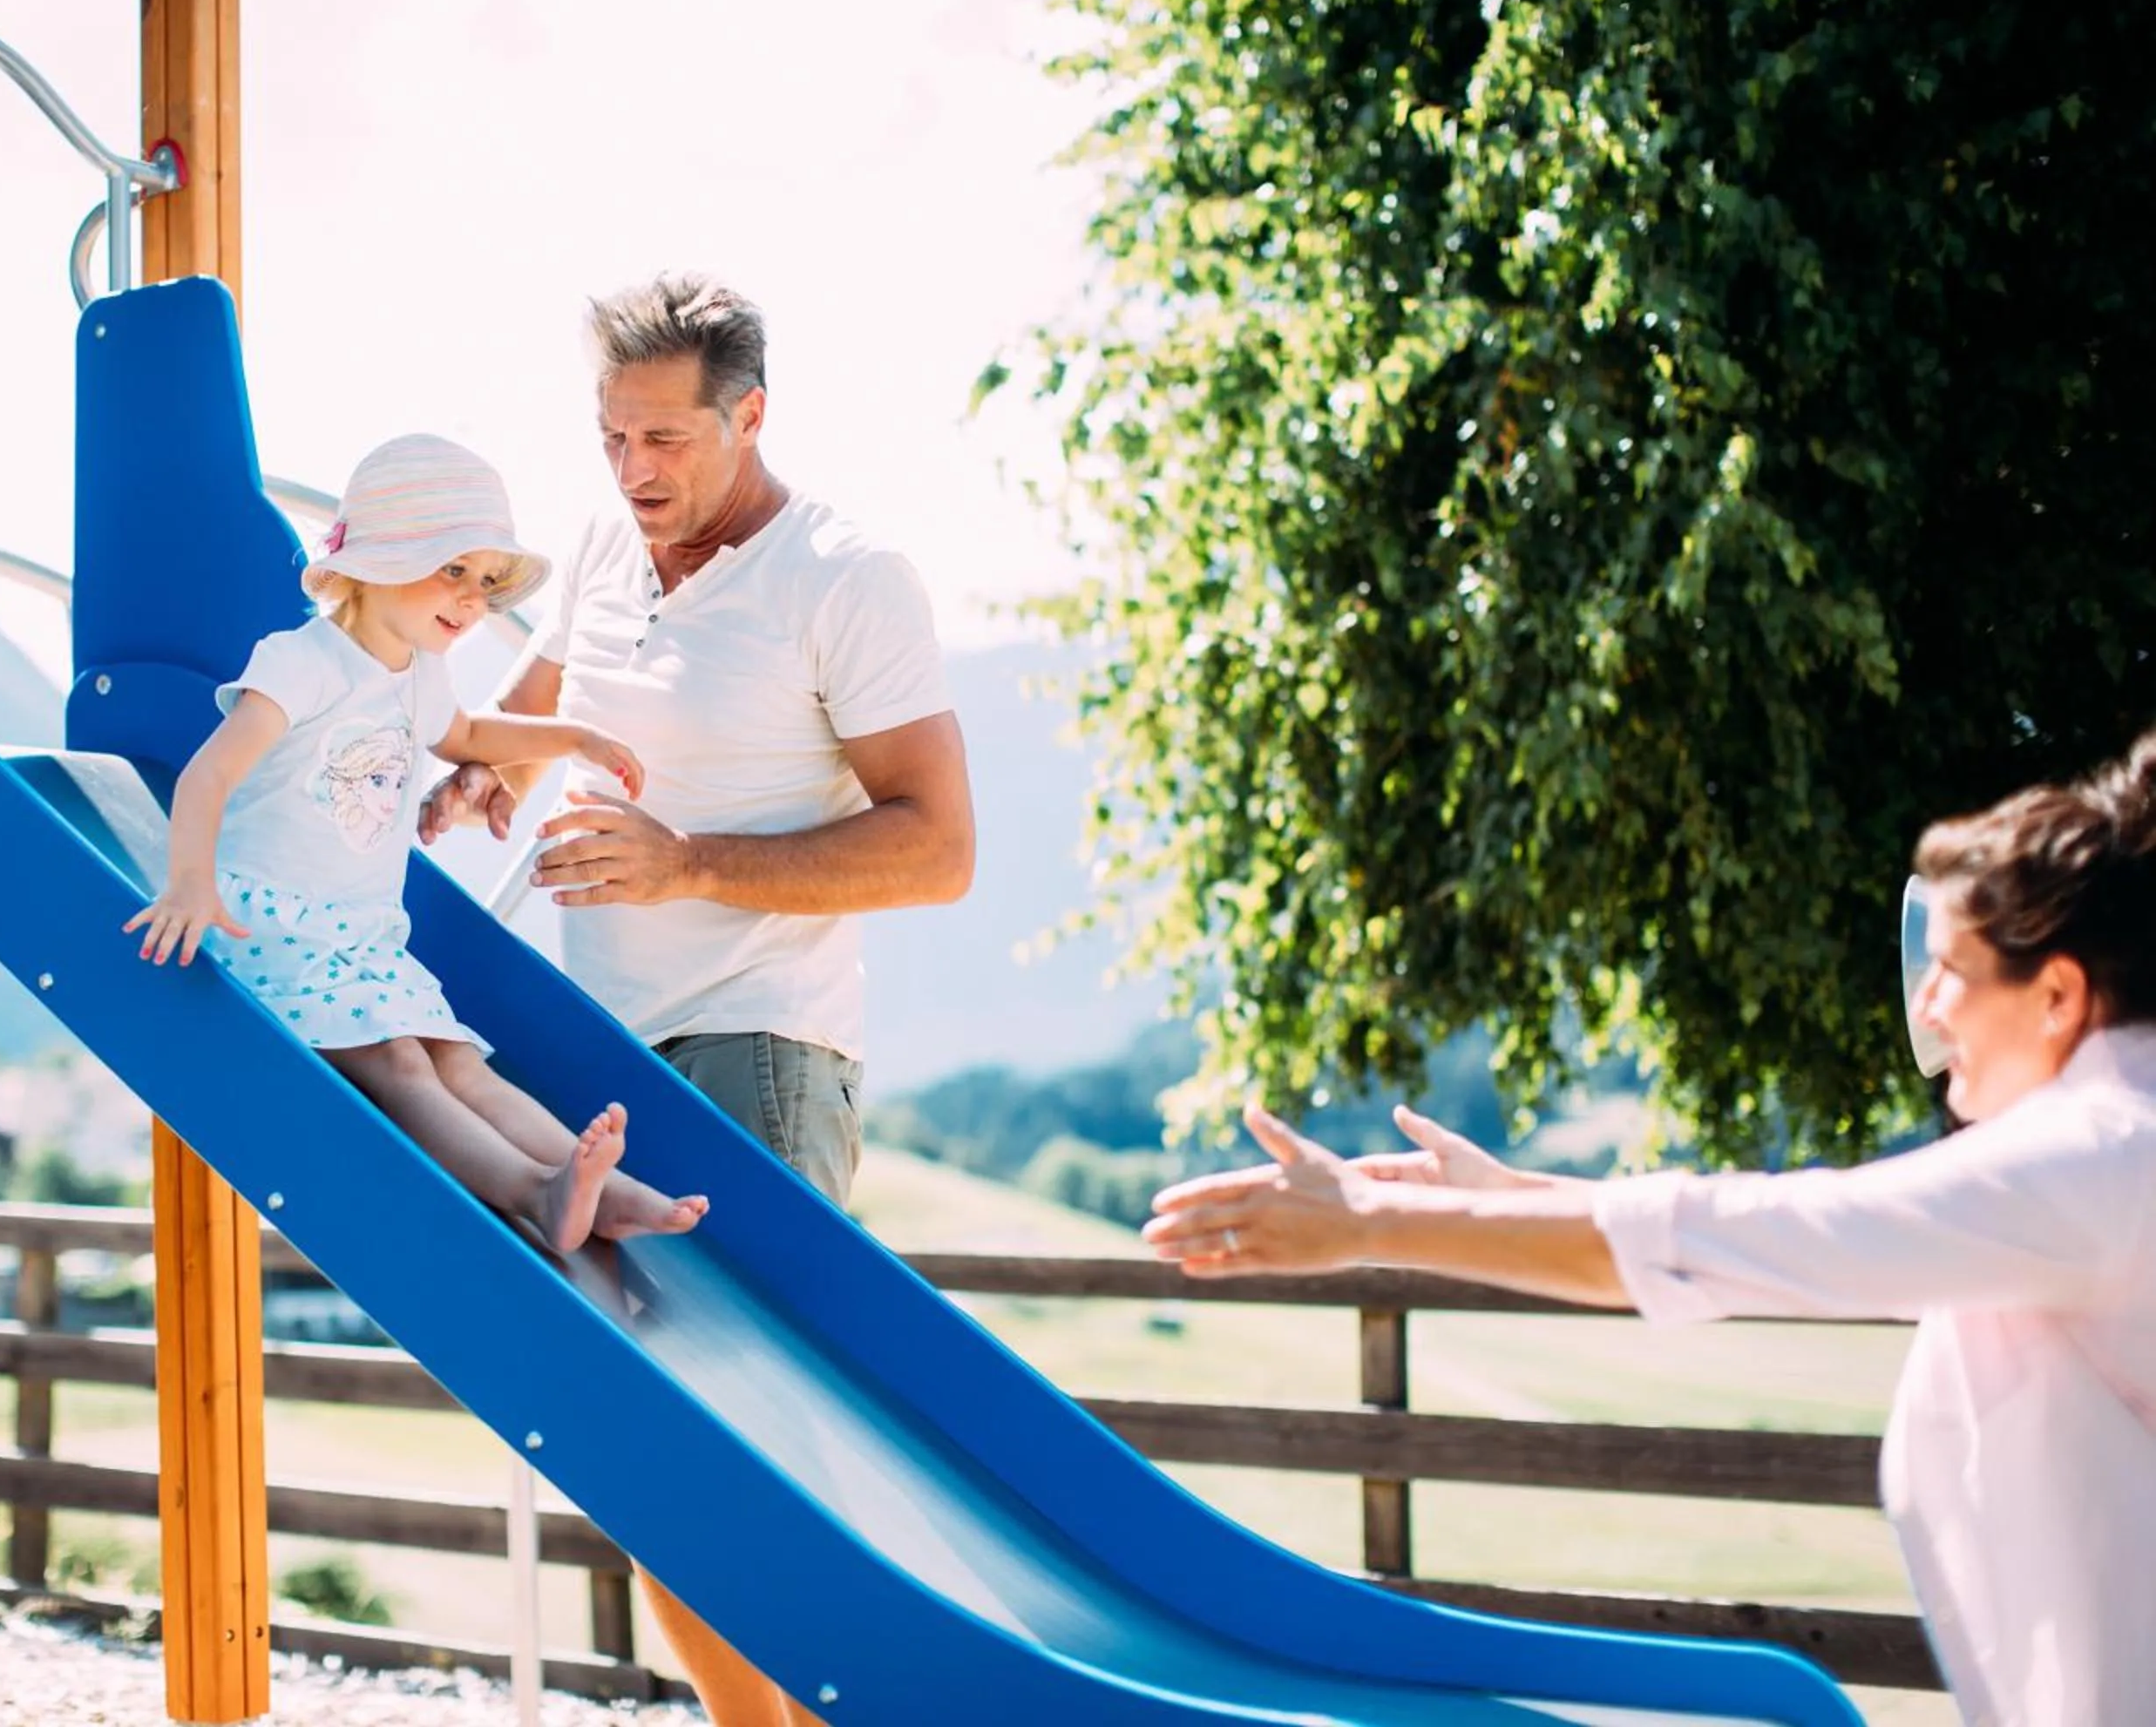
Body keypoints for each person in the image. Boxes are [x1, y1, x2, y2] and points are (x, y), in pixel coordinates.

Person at [1142, 730, 2156, 1726]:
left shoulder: (2093, 1156)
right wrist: (1511, 1196)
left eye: (1953, 970)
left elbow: (1770, 1235)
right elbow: (1767, 1235)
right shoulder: (2099, 1153)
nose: (1927, 1008)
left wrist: (1372, 1218)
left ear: (2057, 993)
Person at [418, 274, 974, 1726]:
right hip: (587, 1058)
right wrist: (481, 776)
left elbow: (939, 849)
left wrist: (690, 861)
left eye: (665, 438)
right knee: (651, 1465)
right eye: (612, 437)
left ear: (751, 415)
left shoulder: (846, 578)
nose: (634, 469)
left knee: (743, 1458)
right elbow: (536, 710)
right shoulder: (609, 548)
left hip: (758, 1049)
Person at [124, 432, 708, 1256]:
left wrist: (572, 734)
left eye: (485, 583)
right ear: (378, 560)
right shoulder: (302, 662)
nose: (471, 600)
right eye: (452, 569)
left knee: (459, 1062)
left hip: (362, 941)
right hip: (274, 931)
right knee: (402, 1062)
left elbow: (468, 735)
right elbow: (206, 775)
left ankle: (602, 1193)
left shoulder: (420, 674)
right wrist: (190, 883)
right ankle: (535, 1194)